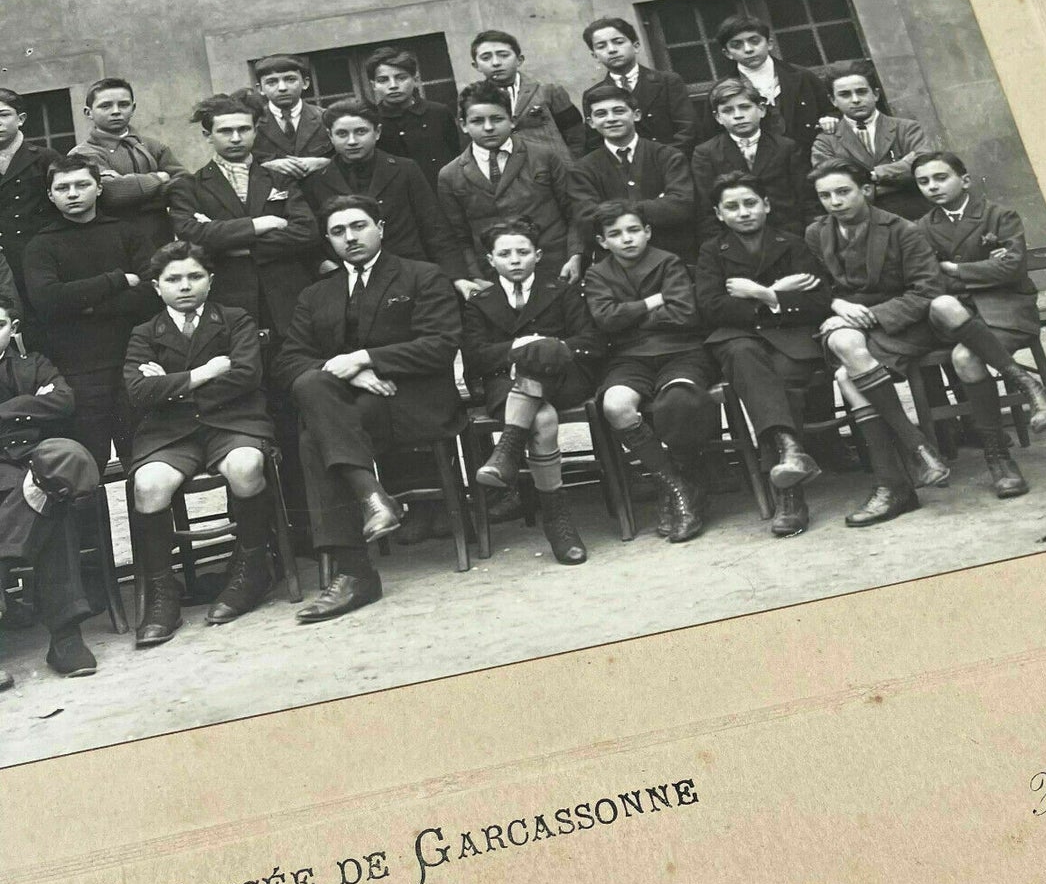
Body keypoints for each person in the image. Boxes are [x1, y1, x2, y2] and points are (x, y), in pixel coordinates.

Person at [273, 195, 463, 622]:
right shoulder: (316, 294)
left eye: (358, 226)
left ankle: (355, 571)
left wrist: (365, 359)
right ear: (327, 241)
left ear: (380, 227)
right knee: (311, 393)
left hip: (412, 400)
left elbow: (439, 345)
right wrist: (347, 373)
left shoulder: (422, 276)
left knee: (314, 438)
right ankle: (373, 499)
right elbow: (288, 360)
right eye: (338, 232)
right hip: (349, 408)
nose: (350, 238)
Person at [123, 243, 277, 644]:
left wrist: (170, 384)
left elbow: (245, 375)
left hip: (233, 420)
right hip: (171, 431)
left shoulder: (234, 320)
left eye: (194, 276)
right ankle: (162, 592)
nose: (185, 286)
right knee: (149, 484)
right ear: (157, 287)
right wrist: (203, 373)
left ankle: (251, 568)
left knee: (246, 465)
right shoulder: (144, 333)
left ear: (211, 279)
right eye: (173, 279)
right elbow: (139, 391)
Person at [804, 159, 951, 525]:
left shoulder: (902, 230)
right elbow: (817, 286)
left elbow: (928, 291)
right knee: (843, 343)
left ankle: (893, 484)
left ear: (866, 190)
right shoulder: (816, 233)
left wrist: (878, 315)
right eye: (825, 196)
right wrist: (837, 304)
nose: (834, 202)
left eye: (843, 192)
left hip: (905, 323)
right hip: (851, 321)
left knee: (846, 377)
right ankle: (917, 447)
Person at [914, 151, 1046, 499]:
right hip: (958, 315)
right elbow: (928, 281)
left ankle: (998, 456)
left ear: (964, 180)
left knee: (965, 358)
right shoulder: (920, 229)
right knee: (943, 304)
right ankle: (1028, 390)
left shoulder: (999, 215)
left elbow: (1012, 269)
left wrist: (954, 269)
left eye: (941, 178)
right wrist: (982, 270)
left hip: (1007, 309)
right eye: (923, 182)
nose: (933, 186)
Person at [695, 172, 830, 537]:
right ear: (720, 214)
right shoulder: (712, 251)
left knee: (782, 381)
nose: (743, 212)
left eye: (750, 203)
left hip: (792, 336)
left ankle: (788, 479)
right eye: (732, 207)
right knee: (743, 356)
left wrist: (762, 294)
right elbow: (710, 307)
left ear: (766, 205)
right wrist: (780, 296)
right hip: (738, 338)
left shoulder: (793, 244)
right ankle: (790, 467)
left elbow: (818, 300)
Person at [461, 219, 602, 564]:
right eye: (505, 254)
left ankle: (508, 451)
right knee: (542, 419)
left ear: (537, 255)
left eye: (523, 252)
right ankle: (558, 520)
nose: (515, 260)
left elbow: (589, 341)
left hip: (566, 378)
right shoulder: (479, 302)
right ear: (490, 261)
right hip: (505, 386)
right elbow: (475, 357)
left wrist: (543, 349)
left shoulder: (563, 289)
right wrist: (517, 349)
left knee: (541, 354)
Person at [583, 200, 715, 542]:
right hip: (628, 357)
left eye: (633, 230)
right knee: (615, 405)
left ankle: (688, 483)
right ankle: (677, 486)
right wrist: (653, 302)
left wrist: (628, 315)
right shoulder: (598, 273)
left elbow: (685, 313)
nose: (626, 239)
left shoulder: (668, 262)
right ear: (602, 242)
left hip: (680, 351)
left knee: (679, 400)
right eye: (615, 234)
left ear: (647, 231)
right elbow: (604, 320)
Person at [22, 155, 155, 479]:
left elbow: (152, 293)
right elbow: (48, 301)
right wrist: (118, 280)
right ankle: (93, 533)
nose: (73, 193)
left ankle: (151, 532)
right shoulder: (41, 245)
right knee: (84, 470)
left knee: (143, 464)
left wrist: (87, 307)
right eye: (63, 187)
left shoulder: (127, 233)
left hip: (131, 362)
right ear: (51, 195)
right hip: (77, 371)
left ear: (98, 188)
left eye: (82, 184)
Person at [0, 295, 100, 685]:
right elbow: (44, 406)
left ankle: (65, 639)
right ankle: (65, 634)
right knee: (47, 499)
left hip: (31, 460)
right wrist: (28, 407)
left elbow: (62, 401)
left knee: (46, 489)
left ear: (13, 329)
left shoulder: (32, 364)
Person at [168, 94, 319, 342]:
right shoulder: (188, 186)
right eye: (225, 131)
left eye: (243, 129)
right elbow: (192, 237)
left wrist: (234, 244)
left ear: (255, 130)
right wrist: (259, 224)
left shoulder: (279, 178)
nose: (236, 138)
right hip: (229, 298)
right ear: (208, 135)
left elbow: (306, 232)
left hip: (288, 295)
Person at [301, 99, 467, 284]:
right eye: (342, 134)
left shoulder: (405, 170)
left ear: (377, 132)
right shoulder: (317, 181)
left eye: (361, 131)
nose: (352, 141)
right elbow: (315, 239)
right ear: (330, 136)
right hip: (351, 280)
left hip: (410, 274)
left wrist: (456, 277)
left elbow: (435, 228)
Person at [438, 83, 583, 295]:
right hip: (494, 276)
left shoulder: (544, 156)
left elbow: (575, 211)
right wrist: (475, 275)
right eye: (477, 121)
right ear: (463, 125)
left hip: (555, 266)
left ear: (512, 120)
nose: (488, 127)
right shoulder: (450, 175)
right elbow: (458, 236)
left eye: (497, 119)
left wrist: (575, 255)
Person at [569, 85, 695, 265]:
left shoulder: (668, 156)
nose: (611, 119)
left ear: (636, 115)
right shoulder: (582, 169)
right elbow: (587, 220)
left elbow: (681, 206)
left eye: (619, 111)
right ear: (591, 122)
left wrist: (609, 211)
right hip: (616, 266)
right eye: (601, 114)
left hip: (673, 256)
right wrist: (655, 205)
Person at [72, 77, 185, 249]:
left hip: (159, 235)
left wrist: (133, 190)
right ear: (89, 112)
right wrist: (159, 179)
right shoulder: (83, 154)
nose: (116, 111)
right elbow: (111, 193)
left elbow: (185, 183)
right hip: (111, 239)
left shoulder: (153, 146)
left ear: (133, 108)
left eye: (123, 105)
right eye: (105, 106)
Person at [692, 79, 809, 242]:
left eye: (745, 107)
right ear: (718, 117)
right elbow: (706, 209)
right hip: (735, 240)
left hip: (788, 235)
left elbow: (805, 198)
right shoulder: (706, 153)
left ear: (761, 109)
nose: (738, 116)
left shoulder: (786, 147)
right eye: (728, 111)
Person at [811, 63, 929, 221]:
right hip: (863, 219)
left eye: (861, 92)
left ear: (875, 94)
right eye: (845, 95)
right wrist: (900, 170)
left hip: (915, 213)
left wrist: (872, 176)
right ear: (833, 100)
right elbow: (832, 183)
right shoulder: (825, 141)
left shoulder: (906, 128)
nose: (855, 100)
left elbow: (923, 166)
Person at [714, 15, 834, 159]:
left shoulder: (802, 76)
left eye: (754, 41)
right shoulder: (722, 90)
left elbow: (832, 111)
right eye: (737, 45)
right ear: (727, 53)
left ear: (770, 43)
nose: (748, 49)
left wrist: (829, 120)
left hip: (809, 158)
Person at [580, 17, 696, 155]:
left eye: (618, 42)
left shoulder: (668, 81)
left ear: (636, 46)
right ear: (594, 55)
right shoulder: (593, 94)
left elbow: (688, 130)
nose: (611, 50)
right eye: (601, 46)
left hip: (671, 162)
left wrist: (666, 161)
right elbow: (595, 144)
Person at [469, 30, 585, 161]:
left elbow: (576, 134)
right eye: (486, 58)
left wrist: (572, 166)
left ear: (519, 60)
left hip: (555, 170)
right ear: (476, 65)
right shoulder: (474, 98)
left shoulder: (548, 89)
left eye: (503, 55)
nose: (496, 62)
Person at [0, 89, 61, 328]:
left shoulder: (45, 157)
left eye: (4, 115)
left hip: (41, 254)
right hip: (3, 260)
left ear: (21, 119)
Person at [366, 46, 461, 188]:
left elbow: (457, 156)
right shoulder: (371, 120)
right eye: (383, 80)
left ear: (415, 79)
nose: (393, 86)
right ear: (373, 85)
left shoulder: (438, 113)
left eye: (401, 78)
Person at [249, 57, 332, 178]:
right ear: (260, 89)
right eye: (272, 82)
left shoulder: (326, 118)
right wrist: (267, 166)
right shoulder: (251, 124)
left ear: (305, 83)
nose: (282, 88)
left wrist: (325, 163)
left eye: (290, 79)